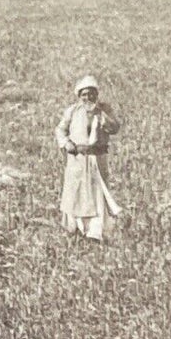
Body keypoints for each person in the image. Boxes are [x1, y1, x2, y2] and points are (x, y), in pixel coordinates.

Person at [55, 76, 122, 241]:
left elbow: (114, 128)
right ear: (79, 96)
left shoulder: (105, 109)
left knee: (97, 193)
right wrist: (66, 143)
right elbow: (60, 130)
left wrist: (102, 116)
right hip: (78, 159)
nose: (88, 98)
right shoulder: (72, 111)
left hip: (97, 158)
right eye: (84, 94)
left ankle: (96, 232)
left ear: (97, 94)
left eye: (92, 94)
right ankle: (76, 229)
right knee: (77, 193)